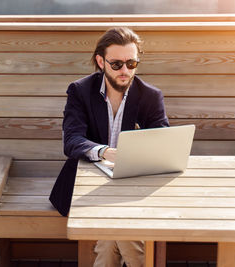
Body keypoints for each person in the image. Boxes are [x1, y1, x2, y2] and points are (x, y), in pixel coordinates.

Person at [49, 27, 169, 267]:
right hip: (88, 186)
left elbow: (163, 143)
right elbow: (72, 140)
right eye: (116, 64)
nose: (125, 71)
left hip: (133, 187)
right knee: (124, 231)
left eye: (131, 63)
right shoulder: (80, 91)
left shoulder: (150, 96)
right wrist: (104, 152)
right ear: (100, 61)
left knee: (109, 237)